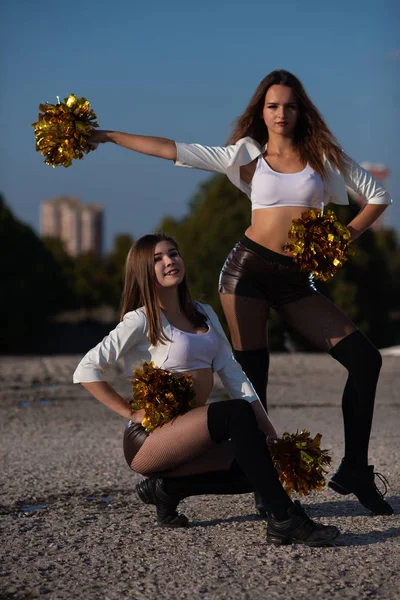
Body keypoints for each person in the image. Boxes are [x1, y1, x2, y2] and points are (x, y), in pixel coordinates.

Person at [87, 70, 393, 517]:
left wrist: (340, 240)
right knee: (253, 381)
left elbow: (377, 196)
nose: (281, 113)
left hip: (295, 280)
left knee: (366, 360)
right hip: (245, 273)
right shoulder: (246, 155)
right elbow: (173, 150)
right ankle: (267, 496)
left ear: (301, 111)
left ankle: (355, 470)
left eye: (290, 106)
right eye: (273, 106)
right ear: (261, 112)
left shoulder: (323, 155)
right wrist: (109, 136)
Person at [73, 233, 340, 546]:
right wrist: (130, 412)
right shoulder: (142, 319)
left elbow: (234, 375)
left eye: (173, 253)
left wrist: (268, 432)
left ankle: (168, 490)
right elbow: (86, 369)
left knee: (261, 460)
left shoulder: (205, 313)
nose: (170, 261)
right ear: (144, 271)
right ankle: (284, 518)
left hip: (194, 433)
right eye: (158, 259)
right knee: (235, 414)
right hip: (150, 440)